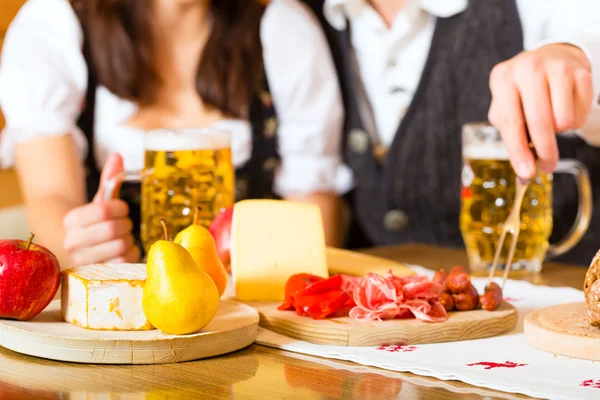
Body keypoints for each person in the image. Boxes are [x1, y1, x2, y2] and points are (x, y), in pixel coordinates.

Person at [0, 0, 351, 269]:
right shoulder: (55, 24)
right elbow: (52, 203)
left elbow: (312, 229)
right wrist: (87, 242)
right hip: (111, 323)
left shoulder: (282, 28)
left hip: (248, 321)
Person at [302, 0, 600, 265]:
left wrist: (573, 55)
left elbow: (588, 34)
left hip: (559, 299)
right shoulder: (301, 18)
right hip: (393, 318)